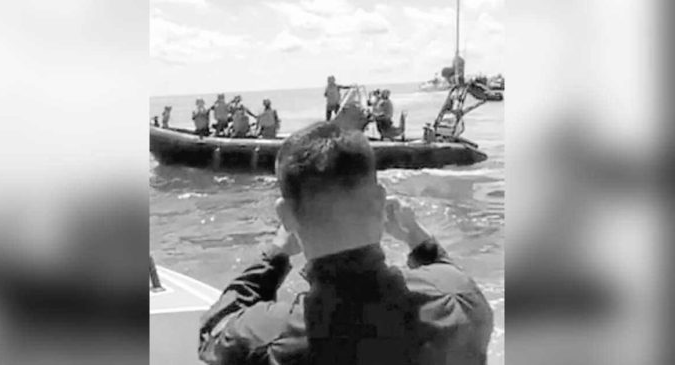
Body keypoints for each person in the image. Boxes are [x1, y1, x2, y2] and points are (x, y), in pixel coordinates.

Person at [198, 121, 494, 365]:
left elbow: (213, 334)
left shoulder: (270, 339)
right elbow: (450, 276)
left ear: (286, 215)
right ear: (380, 201)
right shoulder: (460, 302)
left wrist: (276, 253)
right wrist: (416, 237)